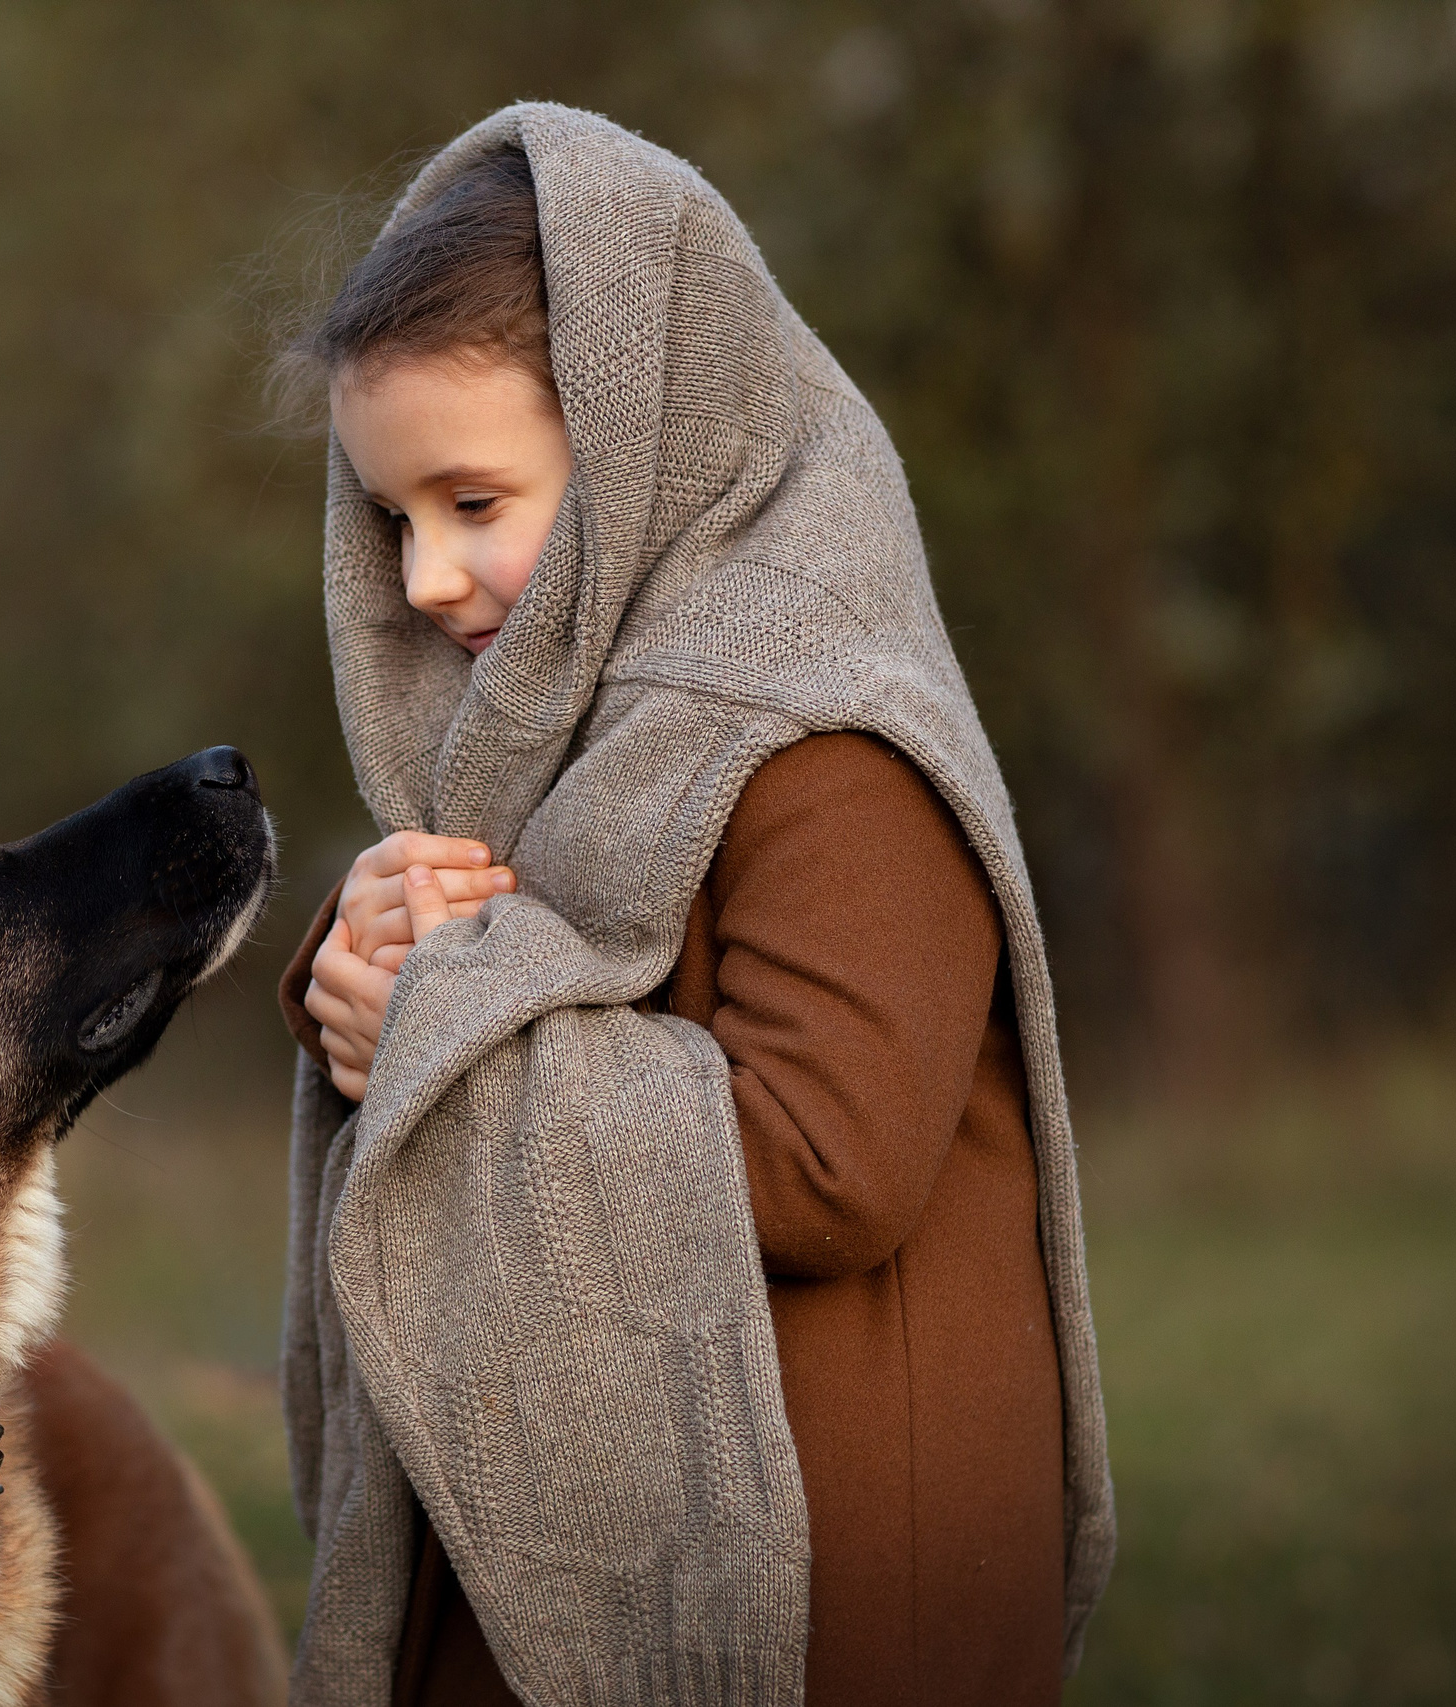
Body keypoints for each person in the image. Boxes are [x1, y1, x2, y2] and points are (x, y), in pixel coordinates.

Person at [271, 107, 1115, 1707]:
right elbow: (532, 969)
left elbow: (832, 1162)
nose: (422, 581)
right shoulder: (567, 714)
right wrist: (365, 958)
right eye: (389, 521)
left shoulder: (830, 736)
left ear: (647, 438)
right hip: (576, 1494)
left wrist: (446, 1030)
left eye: (471, 501)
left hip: (827, 1562)